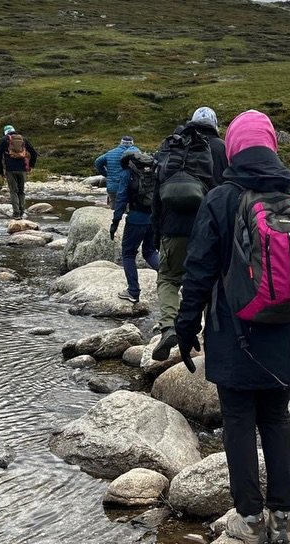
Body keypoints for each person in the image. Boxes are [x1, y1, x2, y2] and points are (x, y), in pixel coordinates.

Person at [173, 110, 290, 544]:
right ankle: (283, 517)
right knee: (277, 417)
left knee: (239, 420)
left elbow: (198, 272)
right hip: (288, 331)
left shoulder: (221, 197)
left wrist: (185, 329)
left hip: (234, 332)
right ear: (272, 146)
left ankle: (249, 520)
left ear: (235, 147)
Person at [151, 107, 228, 358]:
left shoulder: (173, 147)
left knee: (169, 278)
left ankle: (169, 327)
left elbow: (156, 194)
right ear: (215, 124)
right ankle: (210, 338)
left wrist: (156, 232)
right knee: (212, 282)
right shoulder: (222, 148)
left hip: (172, 228)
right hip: (207, 228)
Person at [109, 148, 160, 303]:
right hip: (153, 218)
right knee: (150, 251)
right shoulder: (153, 171)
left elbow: (121, 199)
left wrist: (115, 222)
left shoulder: (127, 174)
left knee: (128, 254)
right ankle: (172, 278)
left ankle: (133, 291)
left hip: (136, 219)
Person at [0, 124, 37, 219]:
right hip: (22, 169)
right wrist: (31, 166)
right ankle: (22, 212)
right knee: (21, 191)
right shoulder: (23, 139)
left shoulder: (4, 140)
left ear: (5, 132)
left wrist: (0, 172)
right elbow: (34, 153)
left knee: (13, 191)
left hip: (10, 170)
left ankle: (16, 213)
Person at [94, 136, 135, 207]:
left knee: (113, 211)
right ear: (132, 144)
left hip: (112, 187)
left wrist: (106, 174)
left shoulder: (110, 153)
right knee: (128, 211)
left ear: (121, 143)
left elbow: (97, 162)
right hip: (128, 187)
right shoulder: (135, 153)